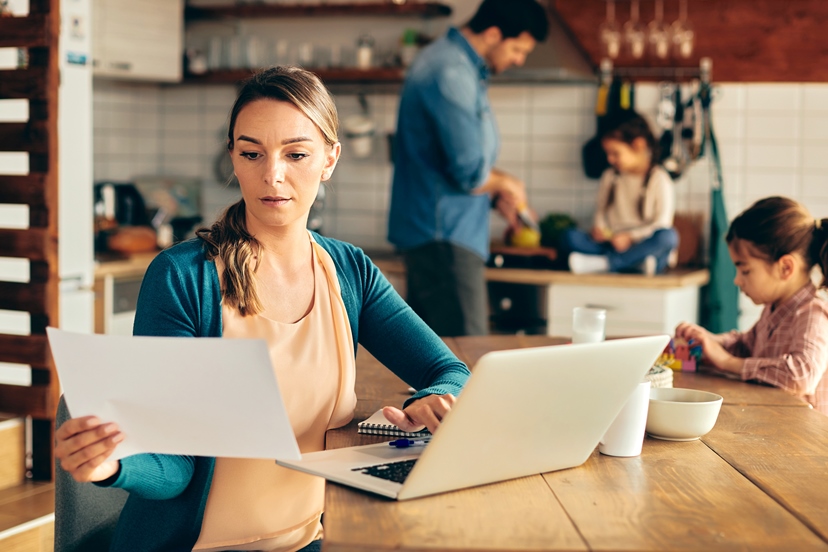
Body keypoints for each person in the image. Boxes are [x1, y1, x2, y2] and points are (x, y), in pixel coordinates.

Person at [53, 66, 471, 552]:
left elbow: (448, 369)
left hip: (308, 541)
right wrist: (113, 465)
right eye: (252, 153)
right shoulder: (183, 278)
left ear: (329, 159)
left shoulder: (349, 270)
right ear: (233, 156)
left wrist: (432, 399)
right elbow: (175, 465)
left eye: (296, 154)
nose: (272, 175)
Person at [387, 0, 549, 337]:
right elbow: (470, 171)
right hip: (443, 240)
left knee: (442, 365)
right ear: (493, 34)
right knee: (464, 363)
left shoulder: (458, 66)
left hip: (443, 236)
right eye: (518, 49)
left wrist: (496, 194)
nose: (519, 60)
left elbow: (454, 164)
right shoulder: (450, 72)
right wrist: (510, 183)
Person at [676, 196, 828, 415]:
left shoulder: (812, 313)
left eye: (745, 270)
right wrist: (710, 340)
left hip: (801, 441)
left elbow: (801, 376)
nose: (737, 280)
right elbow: (746, 345)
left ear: (785, 268)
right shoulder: (774, 309)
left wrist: (727, 361)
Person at [561, 110, 678, 276]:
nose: (610, 159)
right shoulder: (610, 176)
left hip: (641, 244)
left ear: (638, 145)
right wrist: (600, 229)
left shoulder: (660, 179)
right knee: (569, 236)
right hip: (612, 243)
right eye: (608, 153)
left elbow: (661, 223)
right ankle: (633, 264)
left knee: (667, 237)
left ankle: (607, 263)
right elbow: (600, 210)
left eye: (615, 153)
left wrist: (630, 237)